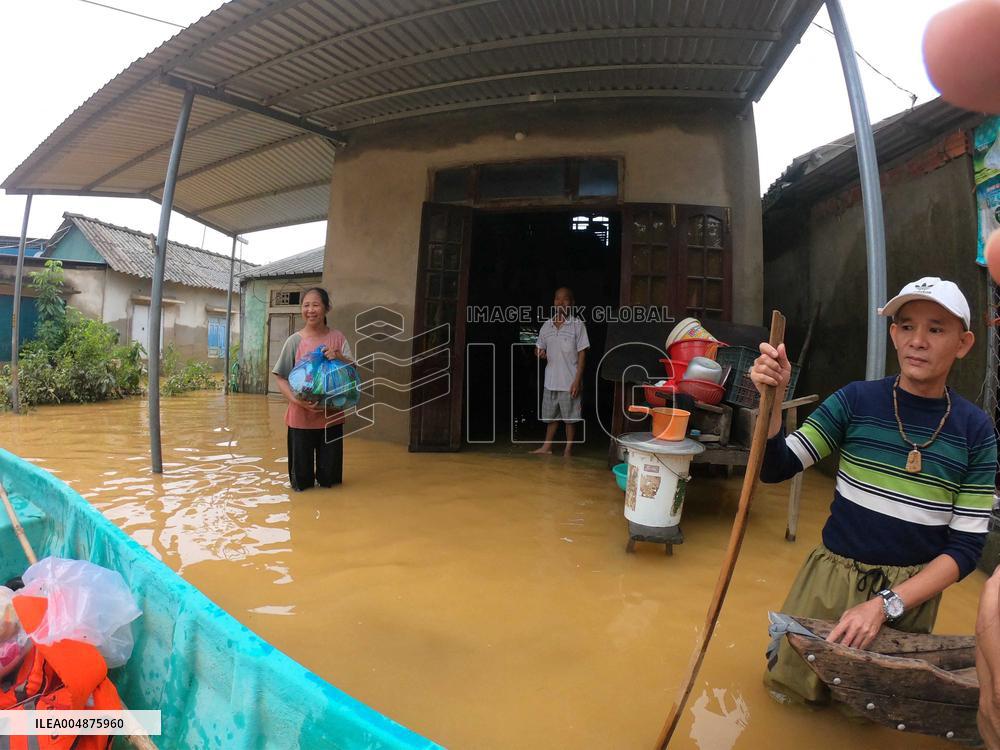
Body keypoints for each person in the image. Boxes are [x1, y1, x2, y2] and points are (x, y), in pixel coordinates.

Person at [752, 277, 996, 704]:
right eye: (905, 326)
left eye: (936, 329)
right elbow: (775, 467)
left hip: (908, 600)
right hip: (827, 583)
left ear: (963, 343)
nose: (917, 341)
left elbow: (965, 550)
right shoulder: (855, 401)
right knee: (790, 695)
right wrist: (773, 399)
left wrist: (884, 606)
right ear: (893, 333)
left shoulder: (977, 431)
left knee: (868, 712)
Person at [271, 287, 353, 491]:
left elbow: (354, 373)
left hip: (331, 419)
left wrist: (340, 357)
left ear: (326, 308)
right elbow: (280, 377)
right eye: (306, 305)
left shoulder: (338, 339)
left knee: (331, 483)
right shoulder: (294, 341)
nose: (310, 310)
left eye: (316, 305)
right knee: (301, 484)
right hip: (300, 421)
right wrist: (296, 400)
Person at [531, 287, 589, 457]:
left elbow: (582, 353)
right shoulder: (546, 326)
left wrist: (578, 380)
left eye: (565, 299)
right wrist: (539, 352)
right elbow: (538, 348)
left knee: (570, 420)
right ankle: (546, 447)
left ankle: (567, 450)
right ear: (554, 302)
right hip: (550, 381)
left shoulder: (577, 325)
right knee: (552, 418)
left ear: (572, 303)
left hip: (570, 380)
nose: (561, 302)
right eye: (557, 299)